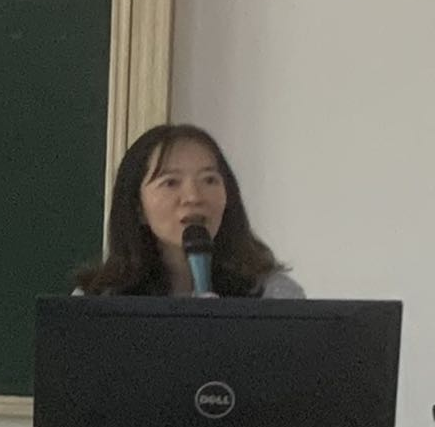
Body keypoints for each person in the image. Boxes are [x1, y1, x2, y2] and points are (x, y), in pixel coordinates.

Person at [74, 124, 304, 298]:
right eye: (171, 182)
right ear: (138, 207)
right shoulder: (95, 301)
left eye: (209, 180)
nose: (194, 197)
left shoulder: (274, 295)